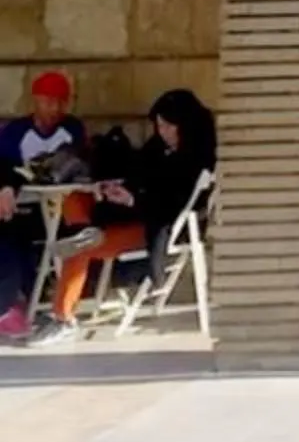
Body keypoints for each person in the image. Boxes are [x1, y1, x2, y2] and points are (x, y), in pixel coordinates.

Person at [43, 89, 218, 341]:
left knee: (78, 250)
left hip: (154, 227)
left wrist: (134, 200)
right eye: (159, 126)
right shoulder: (156, 148)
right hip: (121, 216)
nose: (163, 132)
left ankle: (63, 317)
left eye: (169, 126)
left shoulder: (196, 158)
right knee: (75, 199)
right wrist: (118, 190)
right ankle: (85, 232)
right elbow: (137, 175)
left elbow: (171, 205)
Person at [0, 71, 89, 342]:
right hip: (22, 208)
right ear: (35, 101)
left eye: (60, 102)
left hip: (60, 211)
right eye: (48, 102)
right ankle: (10, 304)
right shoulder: (16, 132)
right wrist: (5, 187)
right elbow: (3, 165)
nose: (54, 109)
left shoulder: (72, 129)